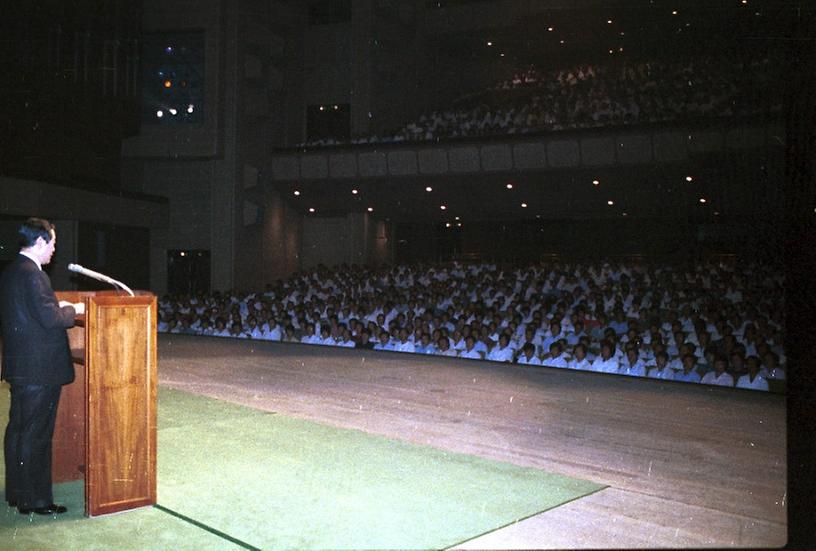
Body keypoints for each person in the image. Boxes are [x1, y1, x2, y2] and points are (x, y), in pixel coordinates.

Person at [1, 218, 84, 515]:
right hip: (40, 371)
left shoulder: (11, 271)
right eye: (52, 244)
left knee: (19, 431)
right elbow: (51, 319)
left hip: (21, 368)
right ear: (39, 243)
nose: (53, 250)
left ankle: (18, 495)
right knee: (36, 435)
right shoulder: (35, 276)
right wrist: (72, 309)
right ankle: (37, 500)